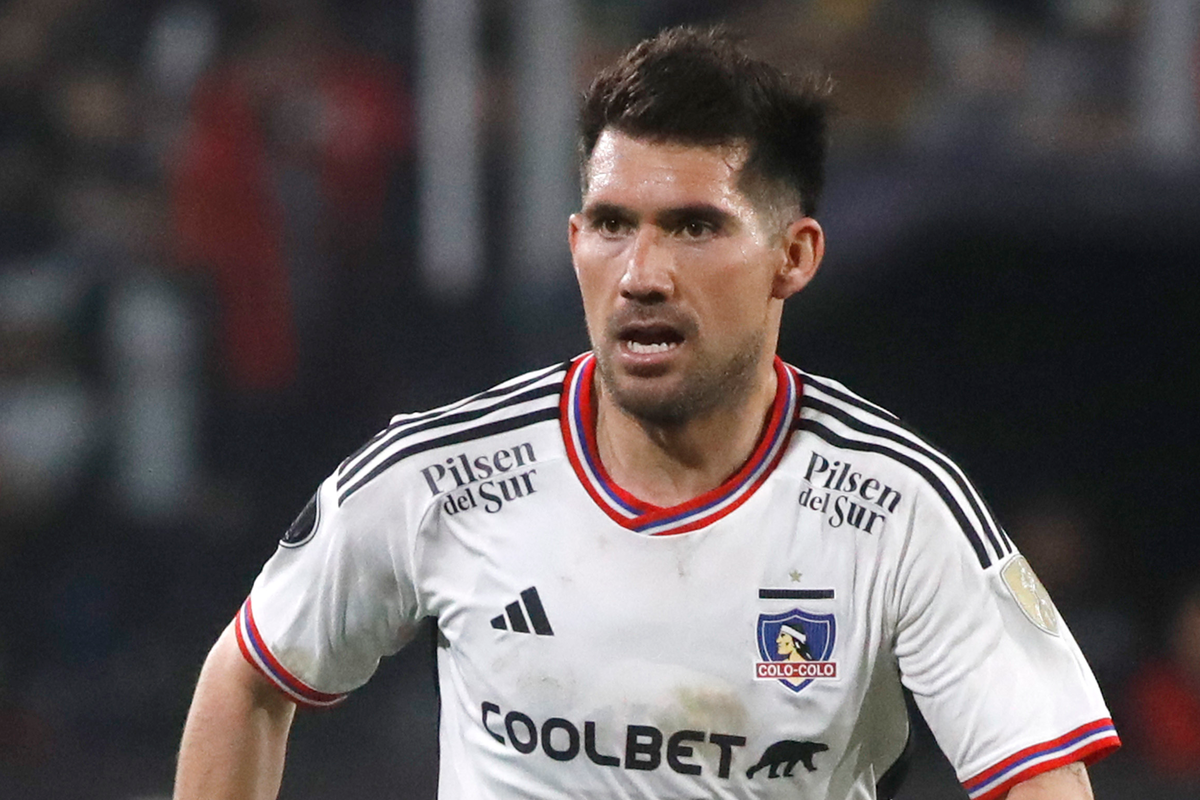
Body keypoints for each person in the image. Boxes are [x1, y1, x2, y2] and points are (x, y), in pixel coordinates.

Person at [173, 26, 1120, 800]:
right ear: (576, 240)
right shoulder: (443, 476)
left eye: (695, 227)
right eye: (615, 225)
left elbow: (1040, 777)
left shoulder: (894, 507)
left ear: (794, 257)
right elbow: (249, 677)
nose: (642, 276)